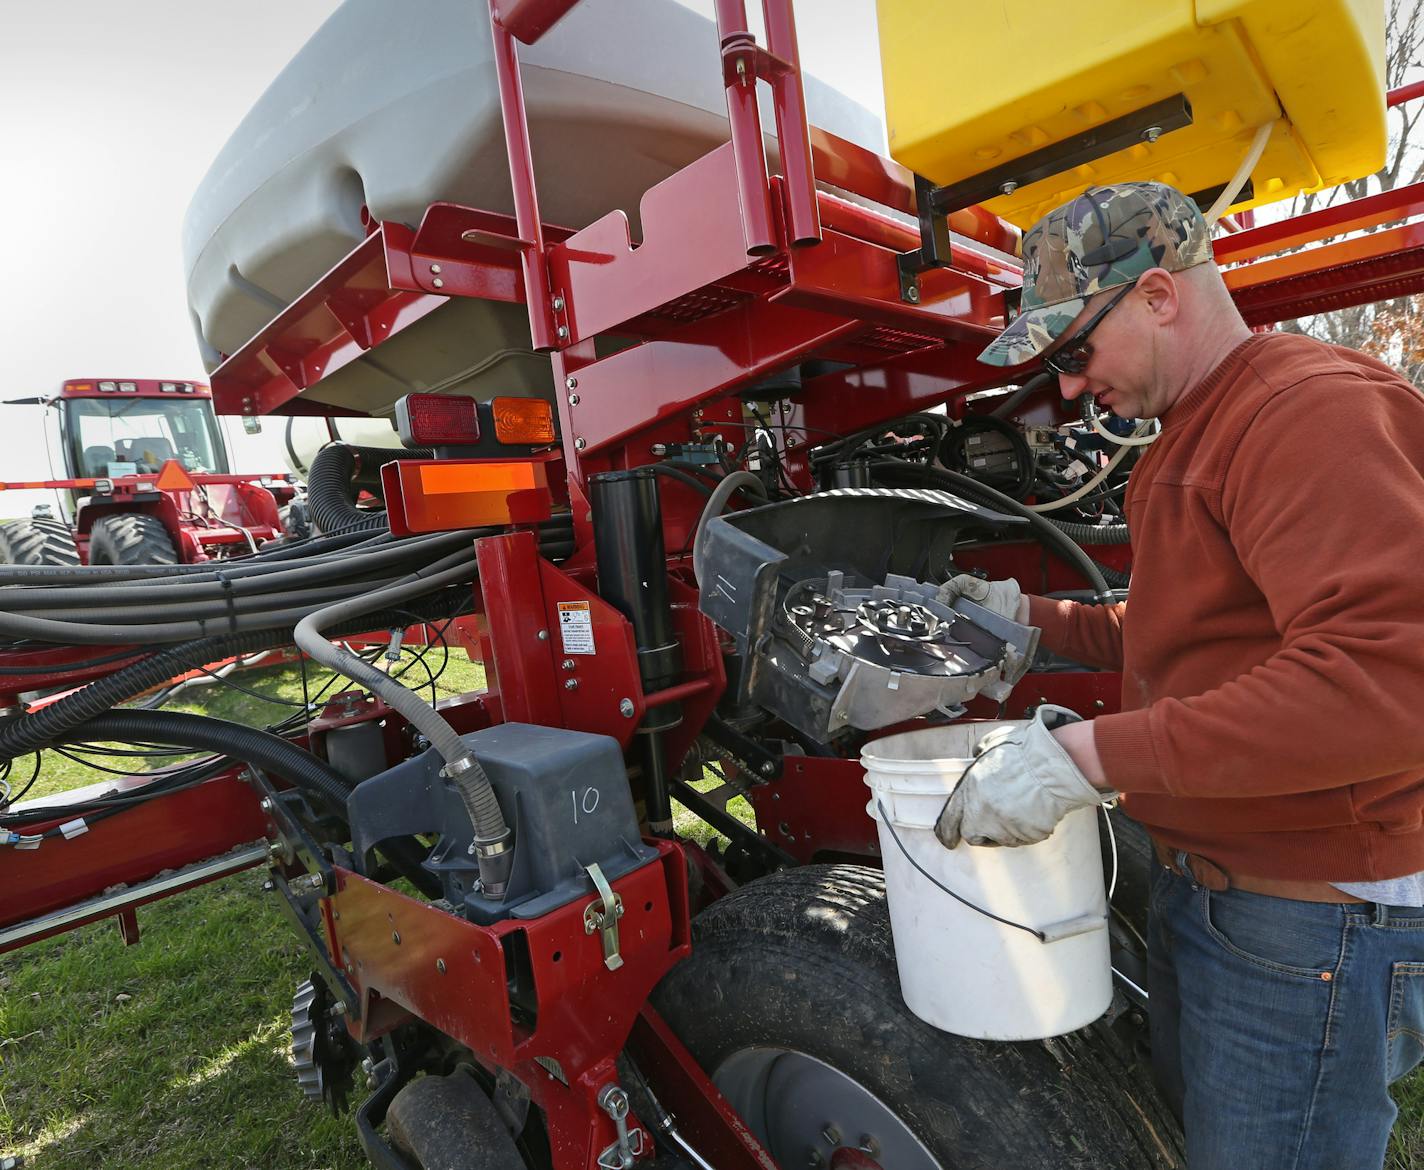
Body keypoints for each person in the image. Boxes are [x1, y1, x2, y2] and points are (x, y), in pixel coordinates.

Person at [933, 181, 1424, 1170]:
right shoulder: (1199, 425)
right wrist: (1030, 622)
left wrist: (1079, 756)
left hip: (1306, 922)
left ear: (1157, 294)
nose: (1067, 388)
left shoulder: (1303, 414)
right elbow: (1192, 629)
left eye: (1072, 351)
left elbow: (1384, 681)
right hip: (1226, 893)